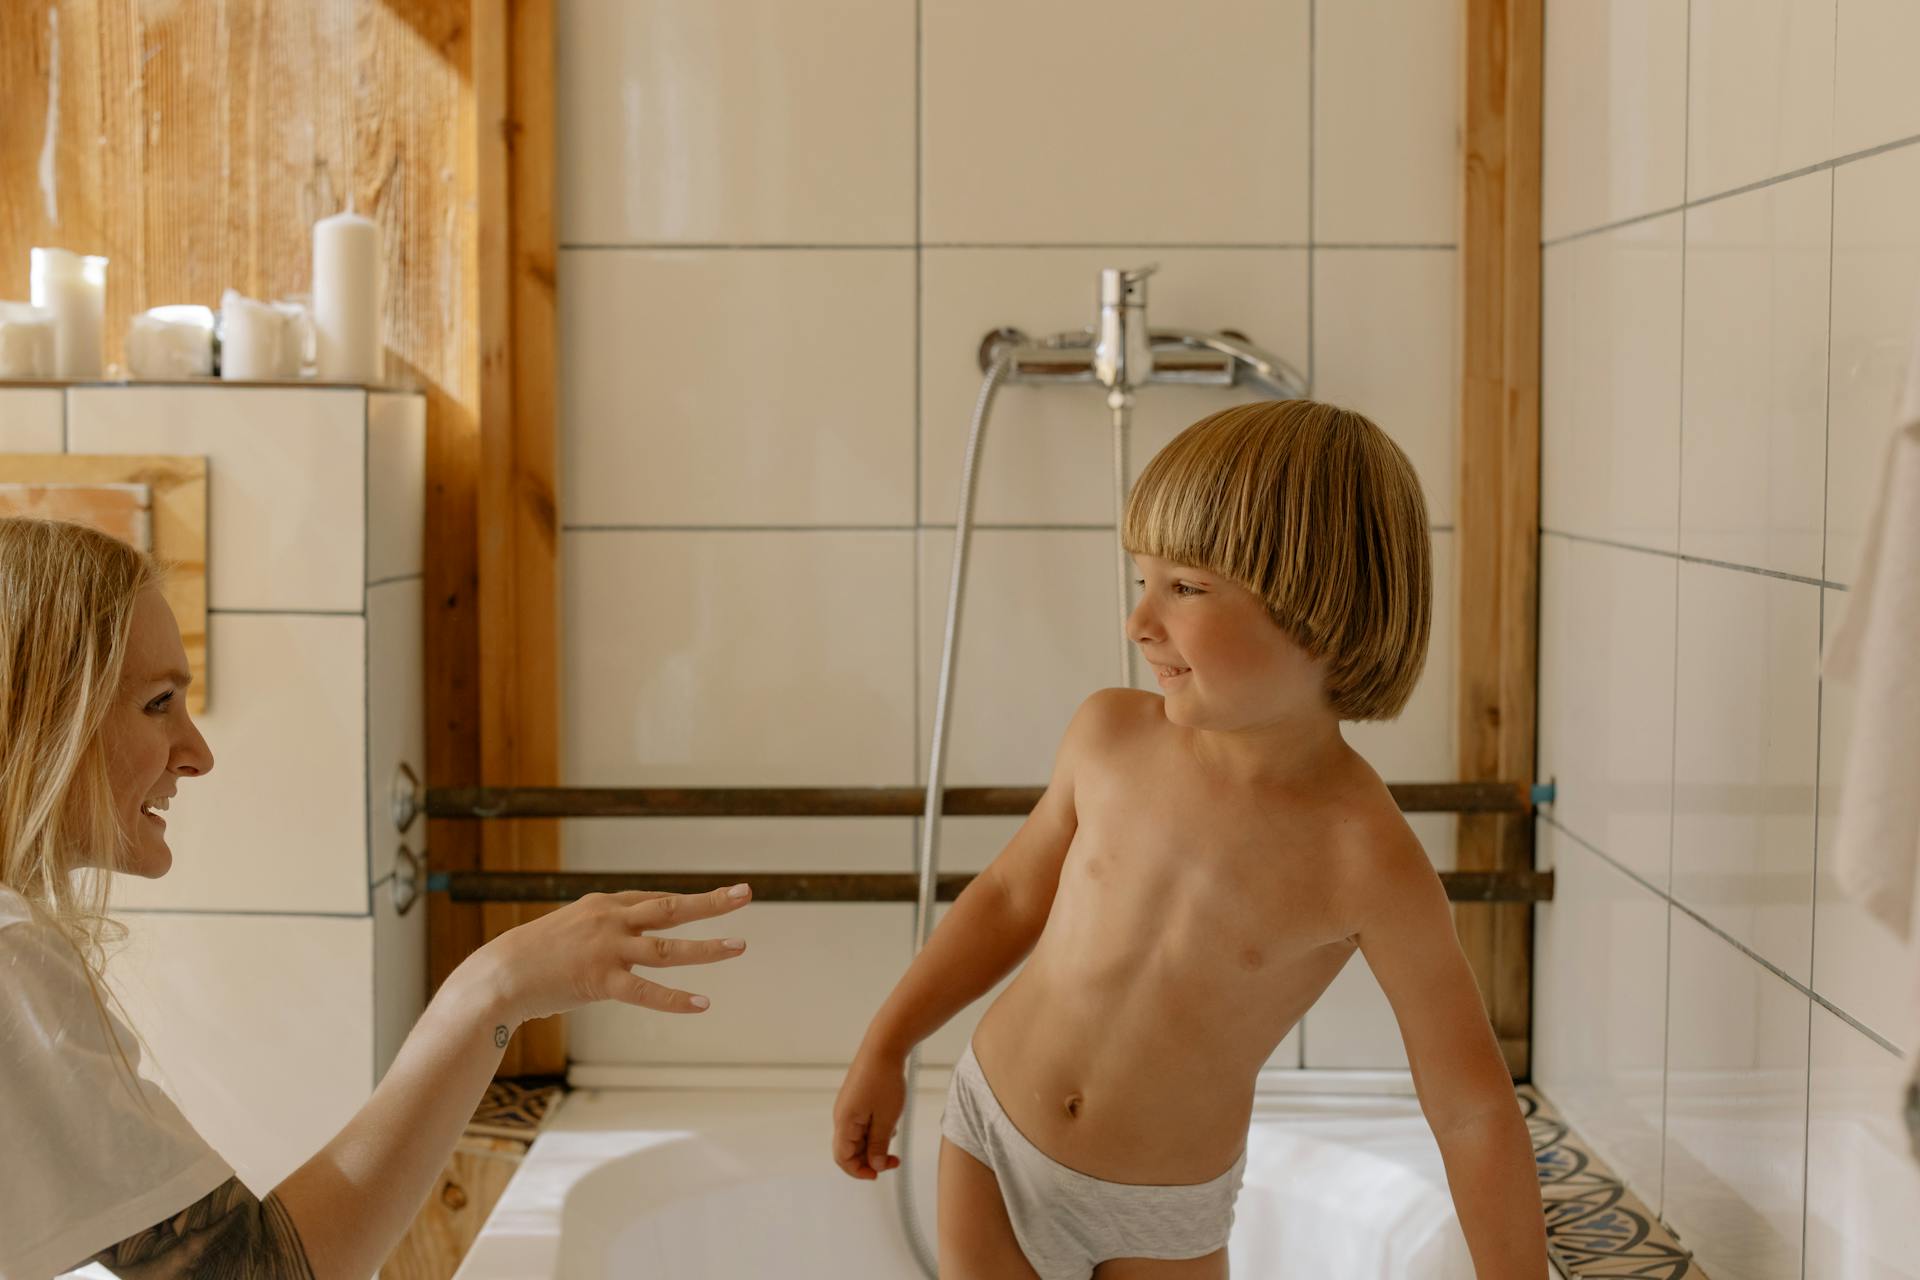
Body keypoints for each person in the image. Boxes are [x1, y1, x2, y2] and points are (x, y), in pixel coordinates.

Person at [831, 400, 1548, 1279]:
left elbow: (1470, 1104)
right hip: (993, 1133)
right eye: (1142, 580)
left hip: (1160, 1210)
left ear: (1321, 610)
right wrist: (886, 1045)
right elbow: (1008, 899)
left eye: (1186, 588)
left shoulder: (1366, 857)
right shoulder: (1110, 737)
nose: (1139, 621)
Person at [0, 518, 752, 1279]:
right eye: (159, 703)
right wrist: (491, 991)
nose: (198, 753)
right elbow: (262, 1274)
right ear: (31, 715)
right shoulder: (10, 962)